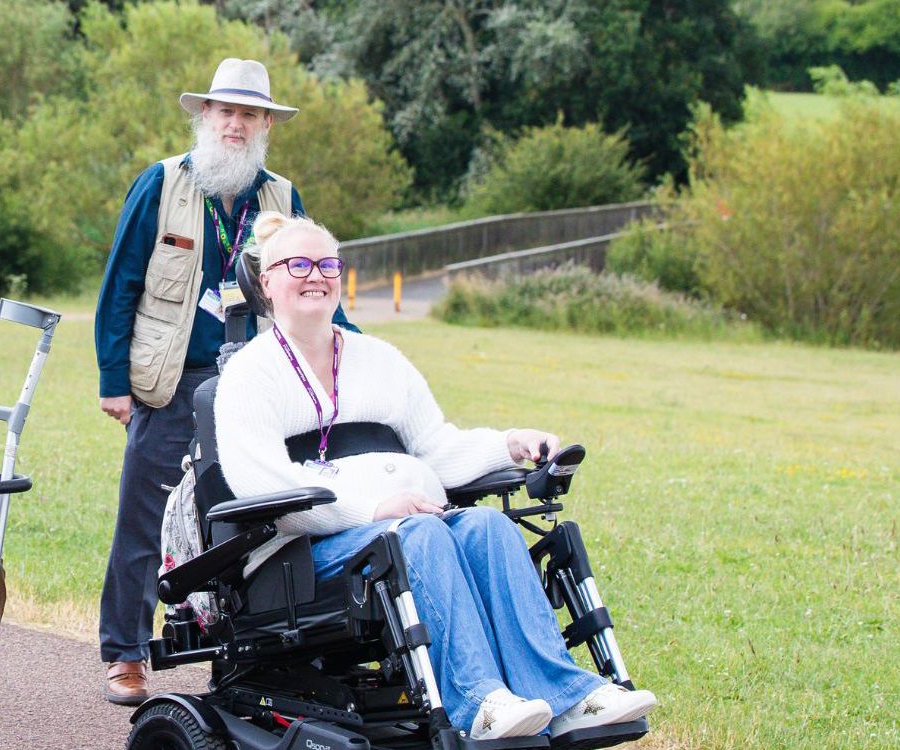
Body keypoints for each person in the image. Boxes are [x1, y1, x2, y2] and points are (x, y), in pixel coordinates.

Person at [213, 212, 660, 741]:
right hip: (306, 552)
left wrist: (507, 444)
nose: (317, 275)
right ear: (267, 281)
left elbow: (437, 449)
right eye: (299, 264)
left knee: (486, 528)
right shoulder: (250, 373)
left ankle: (568, 696)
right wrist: (373, 511)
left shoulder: (380, 360)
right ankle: (480, 704)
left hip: (405, 529)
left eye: (328, 263)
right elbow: (262, 486)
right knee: (417, 536)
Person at [91, 57, 353, 704]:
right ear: (205, 116)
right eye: (225, 111)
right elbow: (119, 286)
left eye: (250, 114)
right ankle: (124, 654)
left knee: (249, 524)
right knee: (144, 521)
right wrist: (113, 379)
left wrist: (354, 352)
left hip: (251, 389)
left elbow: (315, 283)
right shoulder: (161, 183)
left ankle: (237, 661)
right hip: (171, 381)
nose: (236, 124)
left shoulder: (282, 197)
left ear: (267, 124)